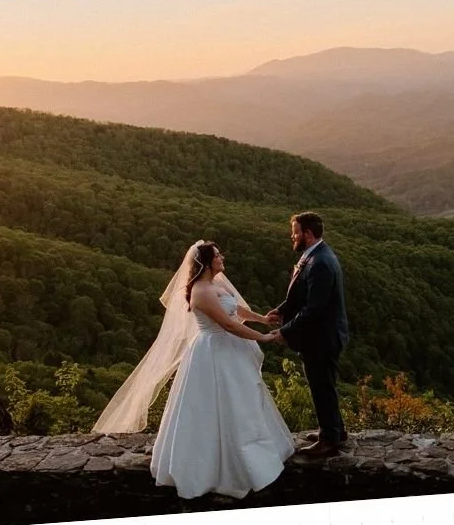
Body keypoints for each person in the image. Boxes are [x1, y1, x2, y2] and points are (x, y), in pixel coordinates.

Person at [93, 240, 295, 500]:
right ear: (207, 263)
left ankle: (255, 450)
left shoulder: (218, 283)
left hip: (229, 350)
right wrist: (264, 337)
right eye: (218, 256)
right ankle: (218, 466)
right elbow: (229, 325)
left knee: (242, 401)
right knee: (212, 406)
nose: (223, 258)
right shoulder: (200, 291)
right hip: (212, 351)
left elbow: (236, 309)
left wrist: (262, 318)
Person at [265, 212, 350, 461]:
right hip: (321, 336)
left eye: (295, 231)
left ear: (308, 234)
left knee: (321, 386)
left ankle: (330, 440)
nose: (292, 236)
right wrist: (281, 310)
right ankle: (334, 430)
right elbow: (301, 295)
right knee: (325, 385)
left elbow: (314, 308)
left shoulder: (321, 262)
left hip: (322, 338)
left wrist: (285, 331)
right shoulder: (315, 256)